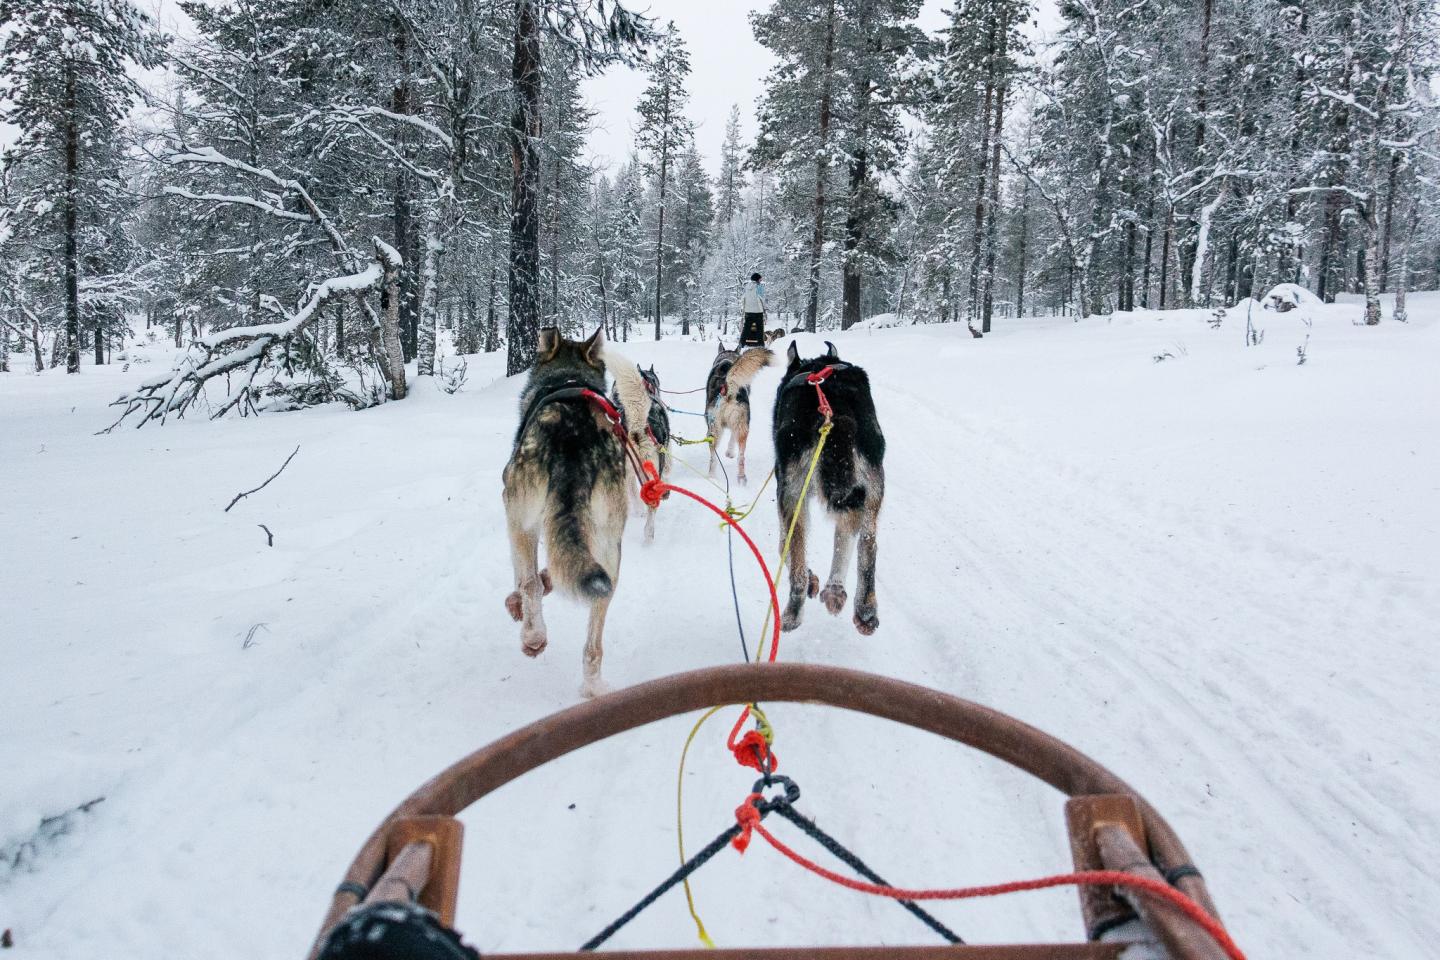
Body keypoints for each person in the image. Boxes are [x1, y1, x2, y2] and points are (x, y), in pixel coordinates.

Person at [739, 273, 766, 347]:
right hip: (758, 311)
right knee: (759, 329)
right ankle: (760, 345)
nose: (761, 280)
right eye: (760, 279)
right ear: (757, 279)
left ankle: (741, 343)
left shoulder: (746, 287)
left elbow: (742, 298)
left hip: (748, 311)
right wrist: (764, 307)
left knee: (746, 328)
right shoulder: (759, 287)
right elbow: (762, 298)